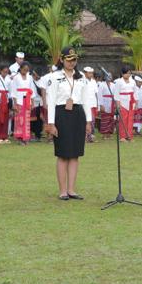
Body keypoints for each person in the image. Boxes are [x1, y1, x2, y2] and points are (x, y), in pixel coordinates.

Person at [45, 47, 92, 201]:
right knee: (63, 154)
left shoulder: (81, 77)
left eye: (74, 60)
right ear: (62, 60)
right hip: (61, 114)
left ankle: (71, 189)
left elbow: (86, 100)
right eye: (69, 60)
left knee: (75, 154)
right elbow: (51, 101)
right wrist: (51, 123)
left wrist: (88, 121)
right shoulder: (55, 77)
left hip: (78, 113)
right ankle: (63, 191)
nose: (72, 63)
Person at [12, 62, 37, 145]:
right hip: (19, 100)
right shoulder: (16, 77)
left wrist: (32, 103)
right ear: (20, 68)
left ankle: (25, 137)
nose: (25, 71)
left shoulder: (30, 77)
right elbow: (14, 91)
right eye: (24, 69)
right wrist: (15, 103)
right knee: (19, 119)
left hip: (27, 99)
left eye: (27, 70)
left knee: (26, 119)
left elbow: (32, 90)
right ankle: (20, 138)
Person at [114, 67, 139, 142]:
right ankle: (122, 137)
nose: (128, 75)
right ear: (122, 74)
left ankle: (129, 136)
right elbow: (116, 94)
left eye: (129, 73)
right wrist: (118, 104)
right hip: (122, 102)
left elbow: (135, 92)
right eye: (126, 73)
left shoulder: (133, 81)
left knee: (130, 120)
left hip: (131, 102)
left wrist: (136, 103)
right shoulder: (119, 82)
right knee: (123, 120)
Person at [0, 64, 13, 144]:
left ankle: (5, 136)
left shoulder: (9, 80)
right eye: (4, 72)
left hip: (6, 100)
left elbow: (10, 92)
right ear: (0, 71)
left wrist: (11, 102)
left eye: (7, 72)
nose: (5, 73)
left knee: (6, 119)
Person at [97, 71, 116, 139]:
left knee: (111, 119)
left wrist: (115, 103)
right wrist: (101, 105)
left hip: (112, 102)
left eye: (110, 76)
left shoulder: (113, 85)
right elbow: (99, 95)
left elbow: (115, 94)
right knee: (105, 119)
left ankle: (109, 134)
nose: (109, 78)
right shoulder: (102, 85)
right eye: (108, 76)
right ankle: (104, 134)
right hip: (104, 102)